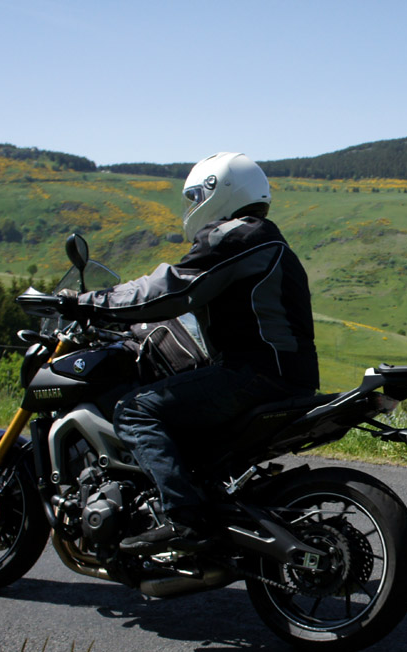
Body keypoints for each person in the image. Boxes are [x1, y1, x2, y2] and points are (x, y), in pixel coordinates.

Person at [60, 152, 319, 554]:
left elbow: (173, 288)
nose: (192, 207)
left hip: (254, 375)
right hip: (286, 375)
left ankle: (183, 520)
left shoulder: (236, 236)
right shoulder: (267, 239)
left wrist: (89, 302)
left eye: (195, 196)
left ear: (218, 192)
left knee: (135, 411)